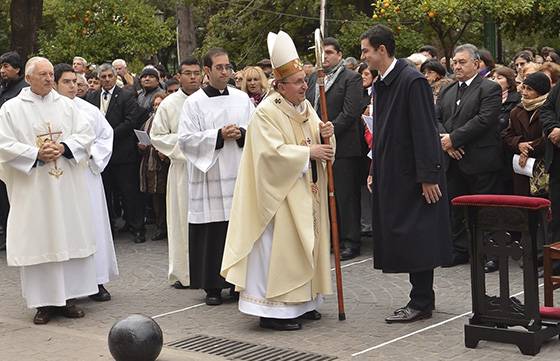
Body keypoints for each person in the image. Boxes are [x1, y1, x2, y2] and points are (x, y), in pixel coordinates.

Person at [221, 30, 334, 331]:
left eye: (304, 80)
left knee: (305, 245)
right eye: (298, 82)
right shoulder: (266, 113)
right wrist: (309, 150)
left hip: (304, 190)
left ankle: (305, 302)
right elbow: (270, 155)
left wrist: (326, 136)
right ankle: (273, 311)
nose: (304, 86)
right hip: (277, 197)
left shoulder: (304, 107)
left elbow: (316, 140)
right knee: (278, 252)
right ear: (280, 85)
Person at [361, 25, 451, 323]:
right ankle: (423, 298)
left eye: (366, 51)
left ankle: (421, 301)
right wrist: (375, 166)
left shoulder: (411, 81)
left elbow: (425, 130)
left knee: (418, 237)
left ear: (381, 50)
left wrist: (428, 176)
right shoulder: (382, 82)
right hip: (392, 173)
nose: (363, 57)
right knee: (408, 236)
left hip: (413, 176)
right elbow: (383, 132)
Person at [0, 57, 97, 324]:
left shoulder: (67, 106)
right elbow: (3, 143)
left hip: (65, 187)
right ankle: (42, 304)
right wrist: (35, 153)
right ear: (28, 78)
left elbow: (86, 134)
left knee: (67, 235)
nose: (49, 79)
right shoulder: (11, 109)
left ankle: (69, 299)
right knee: (39, 239)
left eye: (50, 74)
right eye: (42, 74)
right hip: (34, 190)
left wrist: (64, 147)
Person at [178, 48, 254, 305]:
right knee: (213, 231)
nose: (225, 72)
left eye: (228, 67)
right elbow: (186, 140)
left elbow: (256, 130)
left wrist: (241, 133)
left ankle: (236, 283)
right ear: (207, 71)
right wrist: (218, 135)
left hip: (237, 173)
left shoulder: (242, 99)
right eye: (219, 67)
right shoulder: (193, 103)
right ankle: (211, 286)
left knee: (237, 228)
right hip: (209, 177)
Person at [53, 63, 119, 300]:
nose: (73, 86)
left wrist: (91, 154)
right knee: (66, 228)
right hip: (58, 178)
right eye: (67, 82)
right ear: (55, 83)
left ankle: (97, 280)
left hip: (86, 176)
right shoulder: (47, 111)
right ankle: (67, 287)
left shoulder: (88, 111)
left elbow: (105, 136)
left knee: (93, 226)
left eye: (76, 82)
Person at [437, 44, 502, 269]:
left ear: (476, 64)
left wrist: (453, 139)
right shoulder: (447, 90)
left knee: (485, 209)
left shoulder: (489, 88)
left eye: (462, 62)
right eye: (454, 62)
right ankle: (459, 250)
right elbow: (435, 119)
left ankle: (491, 253)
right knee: (454, 208)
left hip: (480, 160)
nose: (457, 66)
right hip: (452, 160)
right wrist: (446, 143)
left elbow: (485, 119)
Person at [306, 37, 364, 260]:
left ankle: (351, 240)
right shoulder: (313, 78)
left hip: (344, 145)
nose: (324, 57)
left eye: (329, 52)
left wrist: (329, 130)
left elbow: (351, 111)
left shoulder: (351, 78)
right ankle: (332, 237)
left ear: (339, 54)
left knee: (345, 194)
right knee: (323, 192)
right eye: (321, 53)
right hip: (318, 144)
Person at [151, 57, 202, 289]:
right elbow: (158, 136)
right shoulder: (169, 104)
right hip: (183, 169)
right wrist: (191, 145)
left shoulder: (208, 100)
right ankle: (185, 272)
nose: (193, 77)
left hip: (210, 170)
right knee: (182, 221)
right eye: (188, 73)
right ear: (178, 77)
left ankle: (210, 270)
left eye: (196, 73)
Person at [86, 63, 147, 243]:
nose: (106, 80)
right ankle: (109, 229)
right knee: (105, 193)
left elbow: (131, 121)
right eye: (102, 77)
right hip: (101, 155)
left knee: (129, 192)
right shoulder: (91, 97)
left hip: (123, 153)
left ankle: (137, 227)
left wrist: (108, 135)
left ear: (115, 77)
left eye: (109, 76)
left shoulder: (126, 96)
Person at [503, 72, 550, 196]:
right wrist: (519, 144)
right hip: (522, 170)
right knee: (523, 206)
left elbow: (549, 136)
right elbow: (507, 135)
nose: (524, 92)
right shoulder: (516, 111)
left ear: (540, 92)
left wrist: (528, 149)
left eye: (529, 89)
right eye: (523, 87)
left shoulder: (549, 110)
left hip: (544, 167)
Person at [0, 51, 28, 250]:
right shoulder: (4, 89)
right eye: (1, 67)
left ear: (18, 69)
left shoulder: (23, 92)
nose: (2, 71)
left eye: (6, 67)